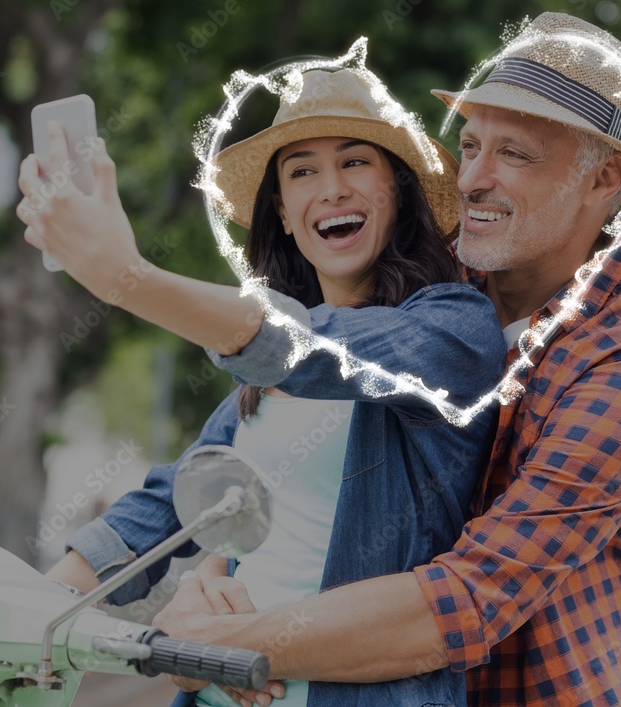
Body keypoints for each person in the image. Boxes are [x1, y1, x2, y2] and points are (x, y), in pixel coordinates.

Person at [150, 12, 621, 707]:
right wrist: (222, 570)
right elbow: (279, 446)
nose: (471, 179)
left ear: (603, 178)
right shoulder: (432, 295)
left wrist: (224, 643)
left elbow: (468, 597)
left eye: (514, 154)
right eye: (469, 145)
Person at [25, 66, 503, 707]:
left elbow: (311, 348)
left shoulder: (453, 331)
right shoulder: (252, 393)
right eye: (301, 171)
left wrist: (127, 278)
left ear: (398, 186)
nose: (330, 189)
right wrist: (26, 609)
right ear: (280, 208)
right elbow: (168, 508)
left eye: (355, 162)